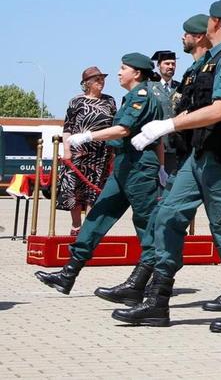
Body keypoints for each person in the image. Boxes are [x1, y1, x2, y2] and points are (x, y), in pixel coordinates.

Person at [112, 0, 221, 333]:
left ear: (214, 23)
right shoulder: (210, 62)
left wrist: (167, 126)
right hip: (199, 155)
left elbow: (219, 111)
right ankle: (157, 301)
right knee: (167, 215)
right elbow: (196, 108)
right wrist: (161, 128)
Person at [35, 53, 164, 303]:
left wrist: (87, 136)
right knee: (97, 216)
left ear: (136, 73)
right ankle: (68, 273)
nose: (118, 72)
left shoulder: (142, 95)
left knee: (147, 226)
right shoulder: (130, 97)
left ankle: (144, 287)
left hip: (139, 167)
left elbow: (124, 129)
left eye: (122, 68)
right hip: (124, 165)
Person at [57, 66, 117, 235]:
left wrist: (113, 150)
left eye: (102, 79)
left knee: (95, 189)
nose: (101, 82)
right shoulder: (76, 101)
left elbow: (114, 126)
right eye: (97, 79)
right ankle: (76, 226)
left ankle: (88, 228)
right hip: (78, 151)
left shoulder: (110, 101)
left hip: (101, 152)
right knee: (73, 188)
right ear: (87, 83)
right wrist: (66, 149)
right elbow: (67, 127)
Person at [150, 50, 180, 175]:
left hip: (175, 146)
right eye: (167, 64)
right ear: (158, 65)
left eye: (173, 64)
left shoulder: (181, 87)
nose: (170, 67)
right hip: (155, 145)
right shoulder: (149, 87)